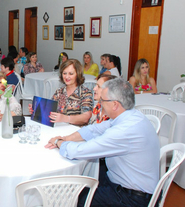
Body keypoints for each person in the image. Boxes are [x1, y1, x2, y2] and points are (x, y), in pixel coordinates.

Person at [45, 78, 160, 207]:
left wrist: (58, 142)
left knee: (73, 196)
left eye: (102, 100)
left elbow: (79, 151)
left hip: (130, 197)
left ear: (115, 104)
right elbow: (94, 129)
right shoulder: (132, 116)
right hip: (134, 184)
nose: (100, 104)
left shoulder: (123, 131)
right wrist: (66, 138)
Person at [47, 59, 93, 126]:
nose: (67, 77)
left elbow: (86, 117)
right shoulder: (59, 91)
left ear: (78, 74)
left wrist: (65, 118)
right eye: (64, 73)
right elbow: (50, 109)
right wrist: (37, 110)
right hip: (59, 128)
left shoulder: (85, 93)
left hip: (76, 132)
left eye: (71, 74)